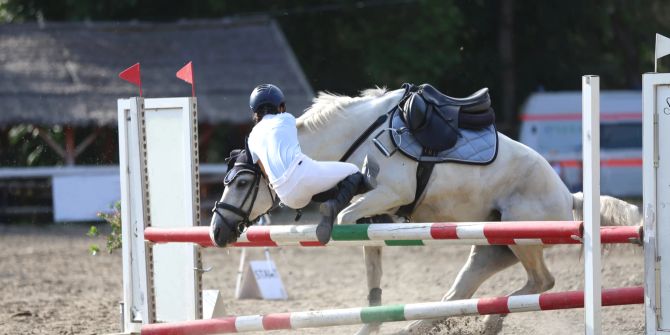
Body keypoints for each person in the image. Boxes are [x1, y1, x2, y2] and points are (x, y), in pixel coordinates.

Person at [246, 84, 379, 244]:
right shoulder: (286, 118)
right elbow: (311, 125)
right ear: (281, 107)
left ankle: (355, 191)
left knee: (327, 186)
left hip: (286, 197)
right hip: (303, 174)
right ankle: (337, 204)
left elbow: (265, 172)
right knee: (353, 172)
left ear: (255, 112)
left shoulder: (251, 138)